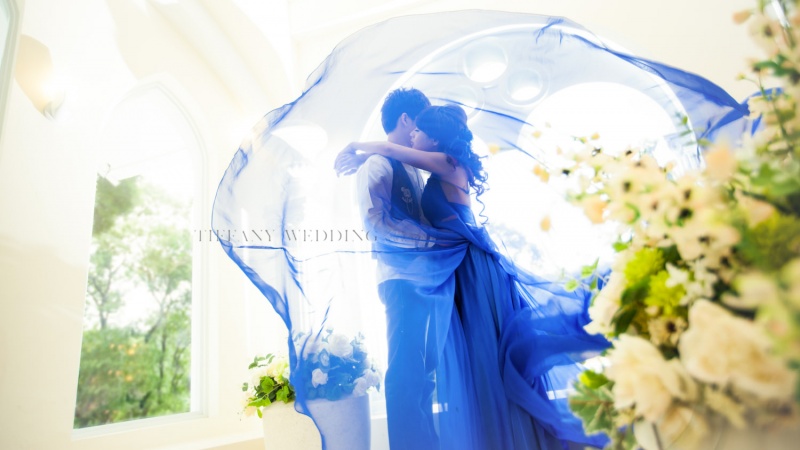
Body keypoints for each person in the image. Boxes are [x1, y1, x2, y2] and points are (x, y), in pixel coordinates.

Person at [336, 104, 611, 449]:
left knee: (485, 357)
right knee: (477, 359)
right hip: (460, 265)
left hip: (471, 267)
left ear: (434, 138)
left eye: (420, 131)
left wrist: (357, 147)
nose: (414, 135)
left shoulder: (447, 162)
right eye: (414, 129)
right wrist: (366, 160)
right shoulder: (438, 166)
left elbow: (391, 149)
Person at [357, 88, 441, 449]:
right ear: (406, 120)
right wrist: (431, 241)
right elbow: (375, 222)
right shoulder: (377, 164)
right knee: (406, 370)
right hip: (400, 279)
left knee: (426, 372)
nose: (423, 130)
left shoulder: (412, 165)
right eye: (421, 121)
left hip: (425, 278)